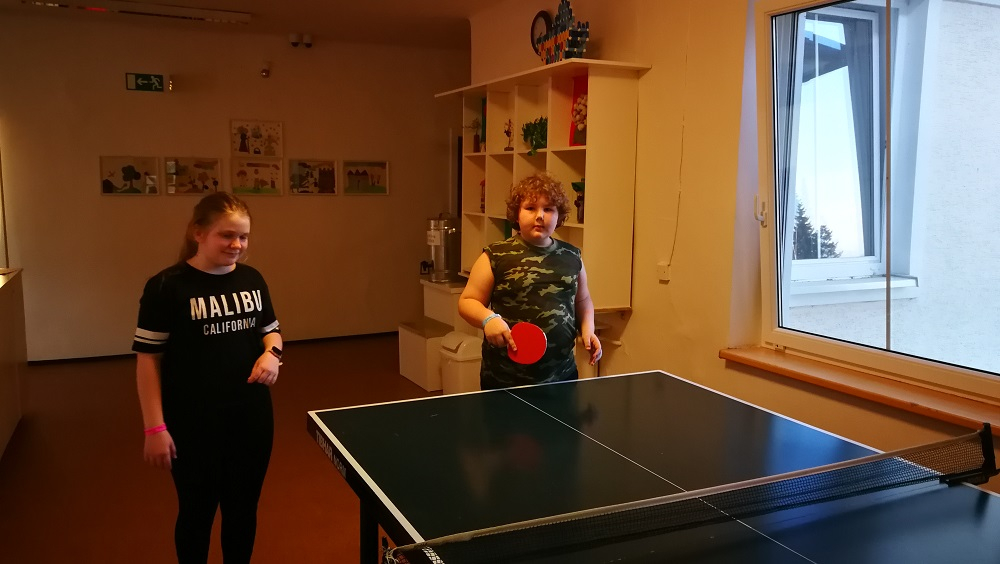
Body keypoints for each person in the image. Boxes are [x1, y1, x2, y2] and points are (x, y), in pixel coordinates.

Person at [133, 192, 282, 564]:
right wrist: (154, 428)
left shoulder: (252, 278)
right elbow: (148, 360)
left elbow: (272, 332)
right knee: (196, 513)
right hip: (192, 422)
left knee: (243, 510)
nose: (237, 245)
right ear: (198, 233)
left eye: (243, 237)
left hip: (251, 418)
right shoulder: (166, 286)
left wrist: (272, 354)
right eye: (226, 235)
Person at [459, 172, 601, 390]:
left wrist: (588, 330)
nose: (540, 216)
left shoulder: (573, 256)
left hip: (562, 376)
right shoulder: (495, 256)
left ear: (559, 216)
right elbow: (467, 302)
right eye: (530, 208)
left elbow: (583, 301)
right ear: (516, 214)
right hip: (505, 379)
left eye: (548, 209)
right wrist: (488, 319)